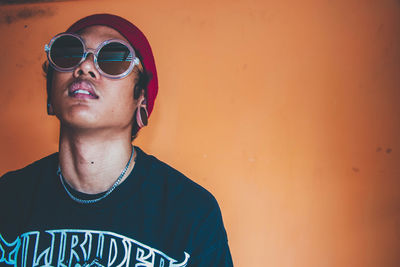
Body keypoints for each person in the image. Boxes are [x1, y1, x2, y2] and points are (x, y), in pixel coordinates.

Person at [0, 14, 233, 267]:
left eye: (113, 58)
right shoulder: (9, 198)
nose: (85, 67)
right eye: (68, 52)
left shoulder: (190, 213)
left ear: (141, 99)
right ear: (50, 94)